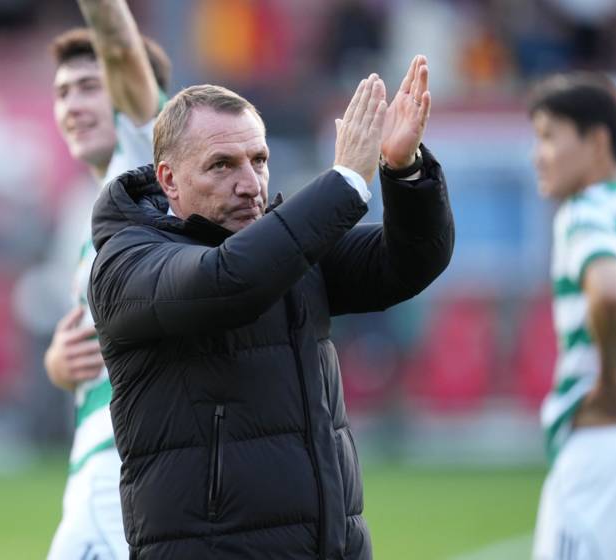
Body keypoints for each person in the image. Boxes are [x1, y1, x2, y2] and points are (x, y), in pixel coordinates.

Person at [88, 56, 454, 559]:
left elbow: (411, 260)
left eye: (258, 160)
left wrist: (404, 169)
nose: (249, 183)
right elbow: (226, 281)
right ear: (169, 180)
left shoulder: (283, 249)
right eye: (222, 165)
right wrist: (345, 181)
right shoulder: (127, 262)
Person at [44, 1, 171, 558]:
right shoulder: (94, 208)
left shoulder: (145, 162)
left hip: (124, 463)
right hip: (100, 467)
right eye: (62, 92)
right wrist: (57, 364)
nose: (71, 105)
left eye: (88, 87)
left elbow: (118, 44)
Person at [529, 72, 616, 560]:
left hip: (602, 449)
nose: (538, 155)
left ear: (597, 141)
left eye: (549, 136)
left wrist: (610, 380)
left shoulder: (584, 210)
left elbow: (608, 290)